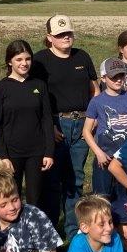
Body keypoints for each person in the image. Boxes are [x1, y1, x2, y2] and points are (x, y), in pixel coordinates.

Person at [31, 15, 99, 237]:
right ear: (49, 37)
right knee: (52, 181)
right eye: (60, 34)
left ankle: (73, 231)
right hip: (55, 125)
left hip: (82, 125)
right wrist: (49, 127)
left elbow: (94, 90)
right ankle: (49, 232)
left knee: (76, 180)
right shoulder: (40, 61)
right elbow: (36, 97)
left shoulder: (83, 56)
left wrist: (92, 118)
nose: (65, 37)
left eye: (68, 33)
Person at [0, 40, 54, 208]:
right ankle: (13, 231)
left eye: (27, 59)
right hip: (12, 154)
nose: (24, 63)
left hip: (37, 152)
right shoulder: (1, 87)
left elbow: (46, 119)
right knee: (11, 197)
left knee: (36, 198)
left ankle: (35, 231)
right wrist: (2, 155)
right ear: (9, 61)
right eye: (19, 59)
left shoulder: (39, 85)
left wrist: (49, 152)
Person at [84, 58, 127, 201]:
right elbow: (86, 131)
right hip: (104, 159)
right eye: (113, 77)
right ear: (103, 78)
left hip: (126, 158)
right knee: (102, 200)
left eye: (121, 76)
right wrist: (98, 152)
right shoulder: (97, 101)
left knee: (126, 198)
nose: (118, 80)